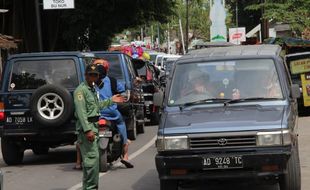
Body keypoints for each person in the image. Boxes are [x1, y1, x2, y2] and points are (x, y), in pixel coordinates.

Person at [74, 64, 125, 190]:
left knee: (91, 163)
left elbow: (96, 106)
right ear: (85, 75)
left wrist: (111, 100)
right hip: (89, 129)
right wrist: (87, 130)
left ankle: (89, 187)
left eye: (95, 75)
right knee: (91, 161)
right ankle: (91, 188)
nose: (93, 77)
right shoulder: (81, 91)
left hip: (95, 126)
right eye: (90, 74)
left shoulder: (92, 89)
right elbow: (81, 113)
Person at [94, 59, 134, 168]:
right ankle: (125, 155)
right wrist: (122, 97)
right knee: (121, 124)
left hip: (96, 114)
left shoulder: (89, 83)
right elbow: (123, 93)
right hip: (112, 113)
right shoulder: (112, 81)